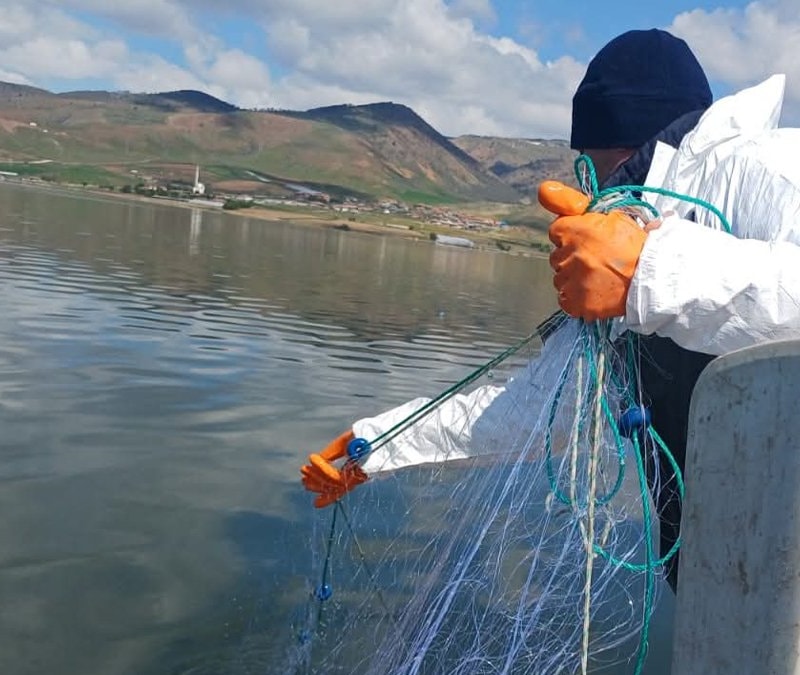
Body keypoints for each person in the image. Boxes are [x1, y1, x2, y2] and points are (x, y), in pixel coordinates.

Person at [300, 29, 800, 593]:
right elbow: (539, 412)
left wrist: (652, 271)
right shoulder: (622, 238)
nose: (583, 173)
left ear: (611, 144)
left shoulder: (770, 168)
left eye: (585, 157)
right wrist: (379, 443)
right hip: (723, 594)